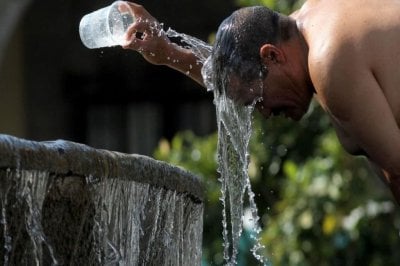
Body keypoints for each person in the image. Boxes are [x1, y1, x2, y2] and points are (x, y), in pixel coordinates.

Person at [121, 0, 400, 205]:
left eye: (257, 99)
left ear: (272, 56)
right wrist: (168, 52)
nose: (264, 111)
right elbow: (236, 76)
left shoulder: (329, 62)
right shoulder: (314, 19)